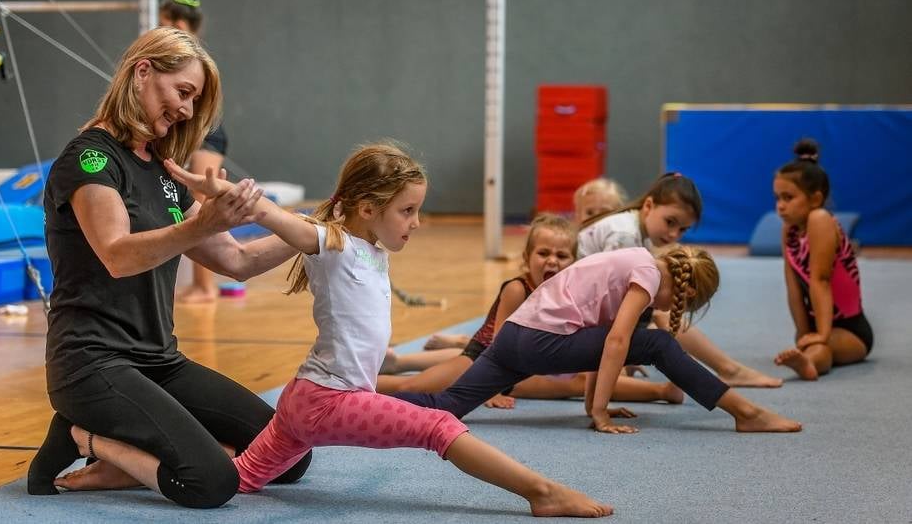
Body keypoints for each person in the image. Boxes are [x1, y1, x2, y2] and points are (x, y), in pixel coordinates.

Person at [166, 141, 612, 518]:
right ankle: (542, 493)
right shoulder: (331, 240)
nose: (416, 221)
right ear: (366, 208)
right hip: (328, 399)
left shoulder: (372, 250)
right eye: (407, 210)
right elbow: (269, 214)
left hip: (308, 398)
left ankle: (141, 465)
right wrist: (223, 191)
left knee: (241, 476)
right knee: (437, 426)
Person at [26, 28, 311, 509]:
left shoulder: (164, 170)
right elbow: (117, 254)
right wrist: (203, 224)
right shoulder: (90, 159)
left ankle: (132, 448)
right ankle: (83, 439)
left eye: (194, 101)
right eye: (183, 92)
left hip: (159, 361)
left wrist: (312, 231)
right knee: (211, 483)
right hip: (92, 363)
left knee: (288, 456)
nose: (185, 110)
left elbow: (234, 261)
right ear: (142, 72)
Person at [396, 246, 803, 434]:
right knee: (657, 344)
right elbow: (615, 343)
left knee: (447, 406)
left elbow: (598, 339)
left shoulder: (635, 260)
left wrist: (594, 401)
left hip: (514, 338)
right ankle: (744, 412)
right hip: (540, 341)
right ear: (682, 291)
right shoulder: (648, 275)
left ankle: (367, 402)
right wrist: (601, 413)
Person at [377, 214, 682, 409]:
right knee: (413, 387)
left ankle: (661, 391)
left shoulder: (571, 293)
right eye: (543, 253)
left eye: (562, 255)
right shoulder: (517, 288)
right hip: (484, 359)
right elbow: (496, 347)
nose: (552, 261)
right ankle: (359, 384)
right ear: (527, 257)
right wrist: (490, 389)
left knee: (575, 383)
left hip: (529, 362)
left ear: (575, 262)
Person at [576, 173, 784, 388]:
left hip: (586, 306)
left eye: (683, 229)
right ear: (648, 205)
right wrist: (622, 353)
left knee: (661, 307)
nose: (674, 233)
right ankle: (714, 374)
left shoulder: (635, 230)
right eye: (670, 222)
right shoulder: (625, 234)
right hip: (576, 311)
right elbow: (613, 303)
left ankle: (727, 369)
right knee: (662, 311)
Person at [773, 139, 873, 380]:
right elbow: (793, 287)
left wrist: (822, 334)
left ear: (815, 199)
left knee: (820, 348)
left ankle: (809, 360)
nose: (780, 206)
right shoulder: (789, 230)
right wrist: (803, 331)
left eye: (788, 197)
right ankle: (809, 356)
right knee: (811, 344)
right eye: (777, 198)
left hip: (852, 330)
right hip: (817, 324)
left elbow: (821, 279)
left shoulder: (820, 219)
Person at [158, 0, 227, 304]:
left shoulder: (187, 59)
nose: (160, 30)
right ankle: (203, 284)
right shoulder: (189, 58)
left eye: (163, 24)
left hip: (207, 133)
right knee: (196, 203)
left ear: (179, 25)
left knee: (200, 203)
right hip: (201, 130)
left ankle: (205, 285)